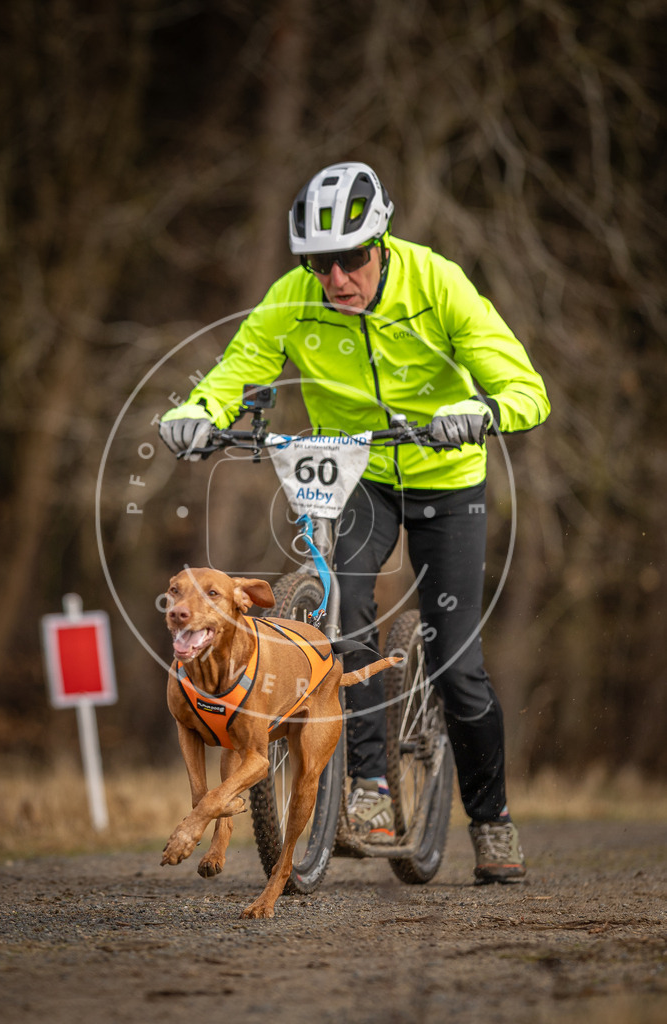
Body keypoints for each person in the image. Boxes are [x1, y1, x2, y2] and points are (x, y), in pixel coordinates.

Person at [158, 161, 550, 883]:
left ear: (383, 243)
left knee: (459, 667)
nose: (337, 278)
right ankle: (368, 786)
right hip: (360, 476)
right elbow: (237, 365)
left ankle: (492, 820)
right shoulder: (293, 298)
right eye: (319, 263)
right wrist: (197, 413)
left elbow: (524, 386)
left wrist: (482, 411)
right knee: (347, 621)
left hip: (446, 479)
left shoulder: (438, 284)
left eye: (352, 260)